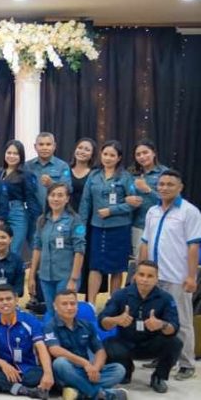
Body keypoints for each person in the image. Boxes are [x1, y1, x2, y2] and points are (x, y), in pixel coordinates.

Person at [139, 169, 200, 380]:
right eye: (161, 184)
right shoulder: (152, 211)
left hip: (177, 277)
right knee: (156, 318)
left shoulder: (189, 212)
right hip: (154, 277)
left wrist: (191, 276)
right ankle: (163, 357)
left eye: (170, 184)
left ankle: (186, 363)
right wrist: (140, 272)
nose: (164, 188)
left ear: (180, 187)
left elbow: (193, 247)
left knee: (182, 321)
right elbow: (145, 242)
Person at [98, 260, 181, 393]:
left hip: (152, 344)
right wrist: (116, 320)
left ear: (156, 278)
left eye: (150, 276)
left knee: (175, 343)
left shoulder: (166, 298)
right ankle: (126, 370)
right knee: (108, 344)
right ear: (135, 276)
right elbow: (102, 322)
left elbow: (174, 327)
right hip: (126, 344)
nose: (145, 279)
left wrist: (161, 324)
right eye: (141, 274)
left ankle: (159, 377)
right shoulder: (120, 295)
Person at [80, 140, 137, 302]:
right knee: (95, 266)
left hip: (119, 228)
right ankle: (91, 303)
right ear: (100, 155)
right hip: (97, 227)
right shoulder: (94, 175)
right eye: (105, 154)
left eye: (112, 155)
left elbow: (133, 203)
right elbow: (85, 202)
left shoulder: (126, 177)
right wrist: (81, 227)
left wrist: (112, 210)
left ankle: (114, 304)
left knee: (117, 268)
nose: (108, 158)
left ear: (119, 158)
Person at [45, 290, 128, 400]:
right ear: (55, 306)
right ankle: (99, 393)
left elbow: (100, 350)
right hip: (66, 373)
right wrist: (85, 363)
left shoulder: (87, 325)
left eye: (73, 303)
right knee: (60, 363)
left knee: (119, 369)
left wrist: (96, 368)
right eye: (64, 304)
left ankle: (79, 392)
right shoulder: (50, 326)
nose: (69, 307)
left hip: (86, 372)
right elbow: (55, 350)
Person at [0, 284, 53, 399]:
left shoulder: (29, 319)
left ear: (16, 299)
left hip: (27, 369)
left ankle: (0, 384)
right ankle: (22, 390)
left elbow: (41, 347)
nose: (5, 303)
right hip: (3, 369)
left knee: (40, 375)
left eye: (8, 299)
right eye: (0, 300)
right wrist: (4, 364)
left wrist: (48, 373)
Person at [28, 183, 85, 319]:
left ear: (67, 199)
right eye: (52, 195)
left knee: (65, 313)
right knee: (51, 311)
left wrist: (73, 279)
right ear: (47, 197)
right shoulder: (42, 220)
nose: (56, 199)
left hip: (66, 276)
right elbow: (37, 247)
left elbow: (79, 250)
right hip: (45, 276)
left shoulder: (75, 220)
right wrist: (31, 276)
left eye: (60, 195)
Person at [129, 139, 169, 270]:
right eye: (138, 154)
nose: (142, 157)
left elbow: (172, 201)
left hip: (160, 225)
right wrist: (127, 200)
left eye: (145, 152)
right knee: (140, 265)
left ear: (154, 153)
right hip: (138, 225)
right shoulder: (132, 174)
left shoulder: (165, 173)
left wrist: (148, 190)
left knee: (159, 265)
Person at [0, 140, 41, 257]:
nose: (11, 156)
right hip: (0, 215)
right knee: (0, 251)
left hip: (17, 214)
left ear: (21, 156)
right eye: (9, 153)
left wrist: (38, 219)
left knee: (13, 251)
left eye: (15, 153)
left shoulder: (26, 174)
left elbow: (31, 199)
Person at [68, 138, 97, 296]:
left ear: (92, 154)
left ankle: (87, 298)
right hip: (67, 219)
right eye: (80, 147)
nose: (82, 151)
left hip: (88, 220)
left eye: (87, 149)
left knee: (85, 256)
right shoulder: (65, 170)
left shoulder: (95, 174)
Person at [25, 132, 72, 212]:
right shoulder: (27, 166)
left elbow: (68, 189)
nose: (45, 148)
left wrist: (52, 184)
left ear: (54, 146)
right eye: (41, 144)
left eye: (48, 144)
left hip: (55, 212)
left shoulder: (63, 166)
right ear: (35, 147)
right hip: (32, 213)